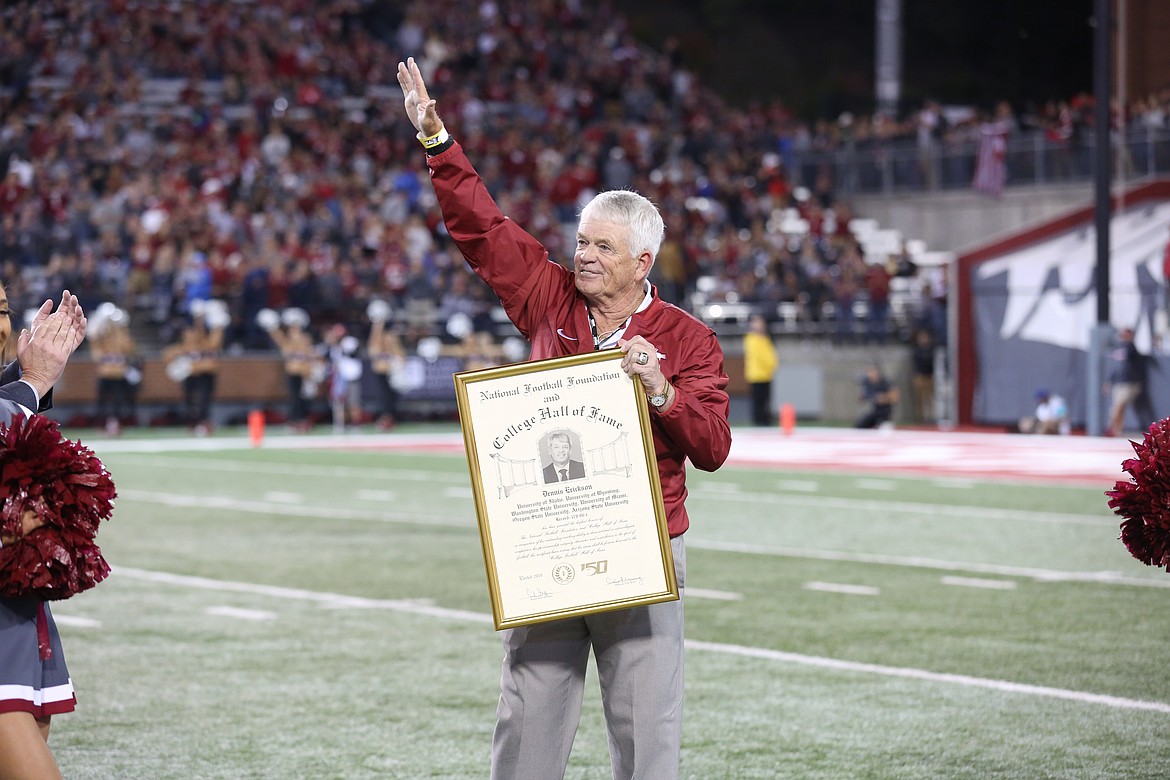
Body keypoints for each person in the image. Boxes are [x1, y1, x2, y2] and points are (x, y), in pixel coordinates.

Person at [398, 57, 732, 780]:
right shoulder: (551, 300)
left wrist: (661, 391)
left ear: (643, 261)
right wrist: (437, 143)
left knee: (648, 730)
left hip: (642, 547)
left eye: (601, 247)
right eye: (581, 241)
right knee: (529, 717)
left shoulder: (688, 339)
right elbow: (486, 235)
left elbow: (713, 446)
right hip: (549, 543)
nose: (582, 255)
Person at [0, 286, 89, 780]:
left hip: (16, 615)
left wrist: (30, 375)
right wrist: (31, 381)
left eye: (3, 311)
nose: (0, 326)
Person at [1107, 327, 1155, 436]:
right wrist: (1110, 381)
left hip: (1129, 383)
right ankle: (1117, 430)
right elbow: (1117, 367)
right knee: (1118, 407)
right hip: (1119, 382)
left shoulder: (1131, 348)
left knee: (1119, 406)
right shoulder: (1119, 348)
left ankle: (1113, 428)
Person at [743, 312, 778, 426]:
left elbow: (770, 354)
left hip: (766, 374)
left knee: (766, 400)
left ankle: (765, 420)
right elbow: (760, 356)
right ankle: (758, 421)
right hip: (756, 374)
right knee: (758, 401)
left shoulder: (765, 338)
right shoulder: (751, 339)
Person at [855, 364, 899, 429]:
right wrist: (862, 397)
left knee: (883, 428)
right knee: (860, 425)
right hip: (875, 411)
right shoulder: (868, 383)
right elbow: (861, 398)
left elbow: (895, 397)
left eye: (872, 372)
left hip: (885, 413)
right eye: (869, 372)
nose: (871, 374)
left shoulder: (885, 382)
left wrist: (884, 398)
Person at [908, 328, 936, 424]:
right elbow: (919, 362)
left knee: (930, 399)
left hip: (929, 377)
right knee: (919, 400)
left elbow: (930, 362)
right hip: (920, 377)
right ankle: (920, 419)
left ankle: (931, 418)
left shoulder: (931, 350)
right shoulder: (917, 350)